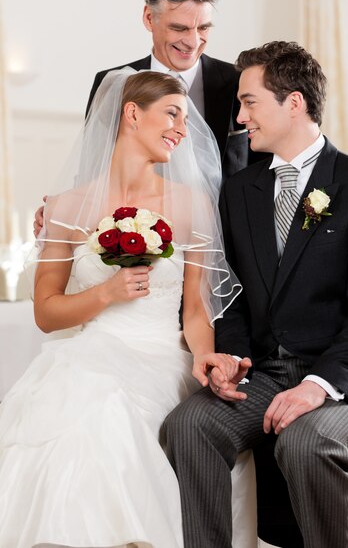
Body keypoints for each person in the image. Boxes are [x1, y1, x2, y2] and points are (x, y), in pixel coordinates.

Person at [163, 41, 348, 548]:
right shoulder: (239, 190)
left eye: (249, 102)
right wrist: (229, 355)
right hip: (265, 374)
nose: (239, 116)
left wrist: (319, 384)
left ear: (293, 103)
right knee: (187, 426)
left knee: (306, 441)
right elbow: (229, 292)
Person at [0, 70, 256, 548]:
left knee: (108, 407)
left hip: (161, 355)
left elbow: (197, 311)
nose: (182, 129)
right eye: (172, 114)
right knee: (83, 397)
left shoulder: (192, 203)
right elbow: (46, 312)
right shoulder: (66, 207)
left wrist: (204, 356)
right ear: (132, 113)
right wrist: (106, 293)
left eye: (185, 118)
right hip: (89, 350)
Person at [32, 0, 262, 238]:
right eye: (179, 28)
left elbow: (260, 173)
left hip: (228, 247)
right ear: (149, 18)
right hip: (129, 246)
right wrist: (63, 213)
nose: (193, 42)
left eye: (203, 28)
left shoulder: (239, 82)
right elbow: (94, 169)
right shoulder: (112, 83)